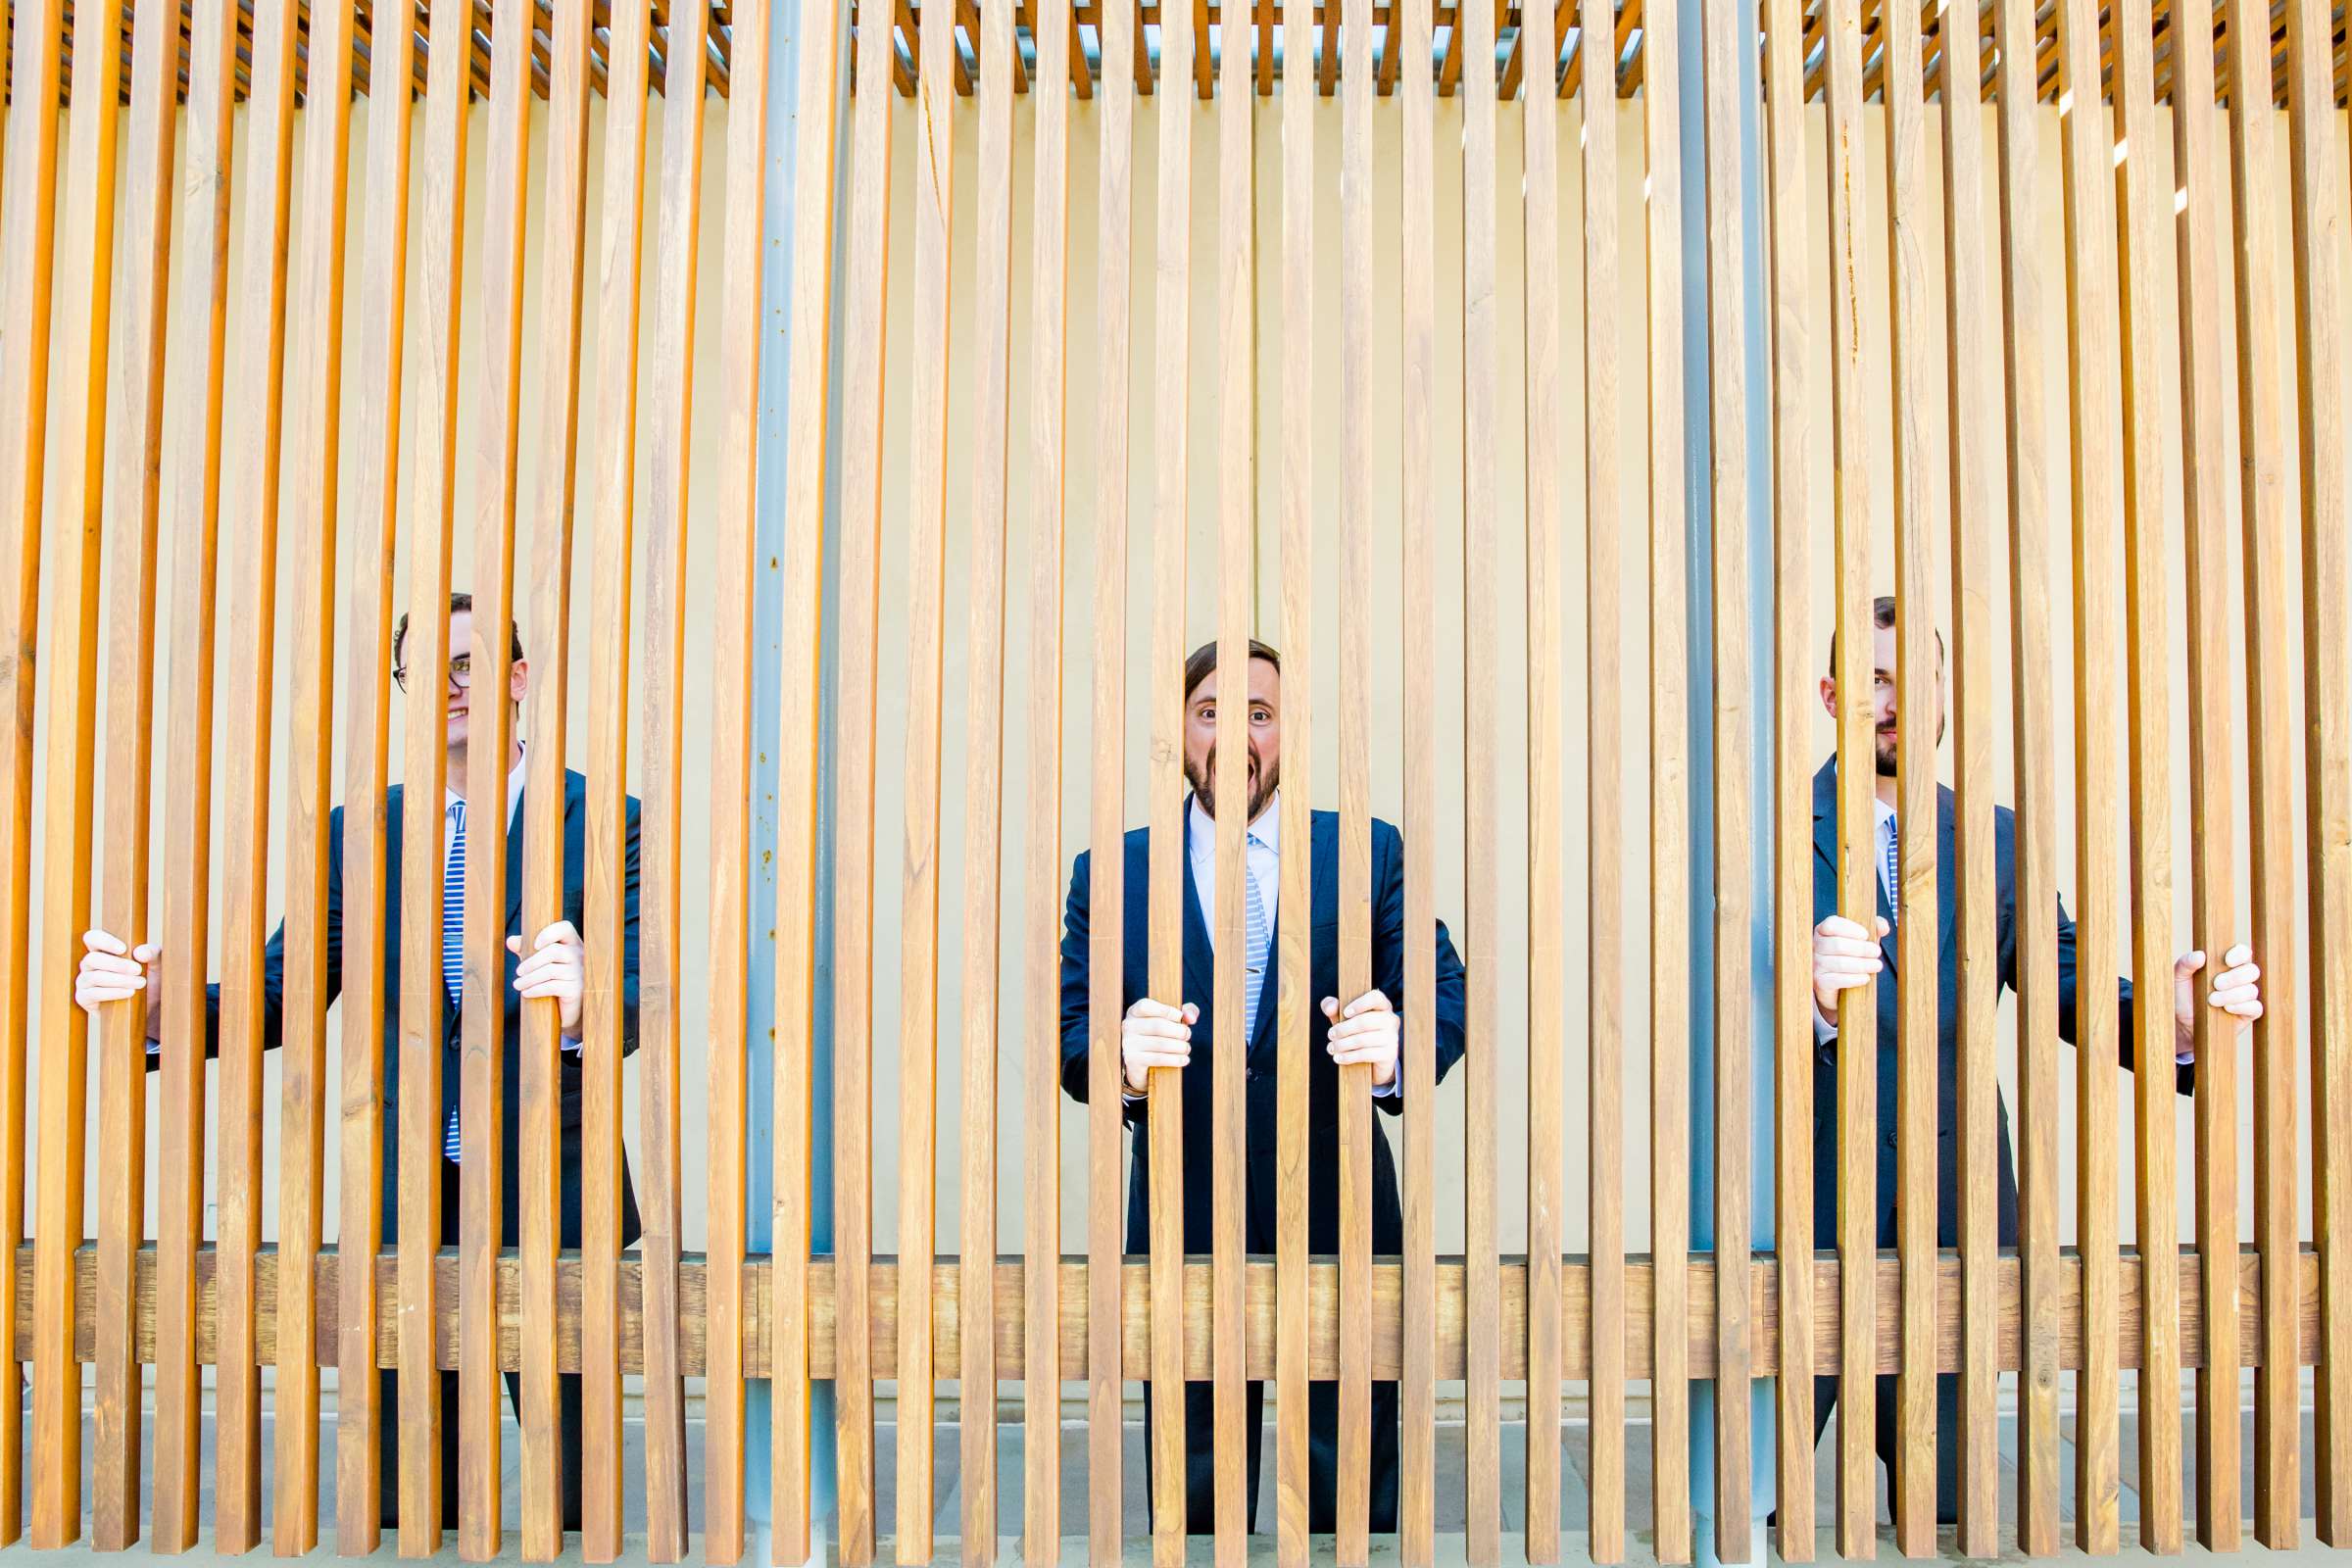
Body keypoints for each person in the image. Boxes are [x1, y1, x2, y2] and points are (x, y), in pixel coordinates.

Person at [73, 591, 642, 1532]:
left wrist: (589, 1002)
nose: (451, 690)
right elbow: (280, 995)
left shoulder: (602, 816)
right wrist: (167, 1006)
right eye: (428, 672)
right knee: (411, 1492)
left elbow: (638, 995)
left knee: (568, 1500)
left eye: (471, 665)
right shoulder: (361, 831)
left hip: (555, 1189)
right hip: (406, 1195)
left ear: (518, 679)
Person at [1806, 595, 2264, 1529]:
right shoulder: (1768, 830)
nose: (1895, 703)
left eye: (1915, 681)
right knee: (1754, 1480)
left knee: (1946, 1496)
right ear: (1832, 694)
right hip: (1799, 1191)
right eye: (1874, 682)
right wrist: (1807, 1006)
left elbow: (2065, 978)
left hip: (1957, 1189)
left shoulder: (1995, 837)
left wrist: (2172, 1024)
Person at [1057, 637, 1469, 1535]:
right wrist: (1121, 1058)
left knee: (1348, 1476)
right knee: (1194, 1474)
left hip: (1339, 1204)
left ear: (1288, 732)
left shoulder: (1366, 850)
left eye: (1259, 713)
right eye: (1212, 712)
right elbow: (1073, 1032)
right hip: (1186, 1211)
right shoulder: (1115, 871)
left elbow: (1443, 987)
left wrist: (1395, 1044)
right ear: (1180, 730)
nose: (1235, 734)